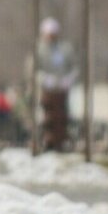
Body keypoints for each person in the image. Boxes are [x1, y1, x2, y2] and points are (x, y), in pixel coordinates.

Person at [32, 17, 78, 152]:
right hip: (46, 91)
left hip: (62, 91)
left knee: (62, 116)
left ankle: (61, 140)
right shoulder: (39, 49)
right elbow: (34, 69)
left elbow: (74, 67)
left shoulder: (65, 48)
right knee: (48, 116)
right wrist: (44, 78)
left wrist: (68, 79)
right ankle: (48, 140)